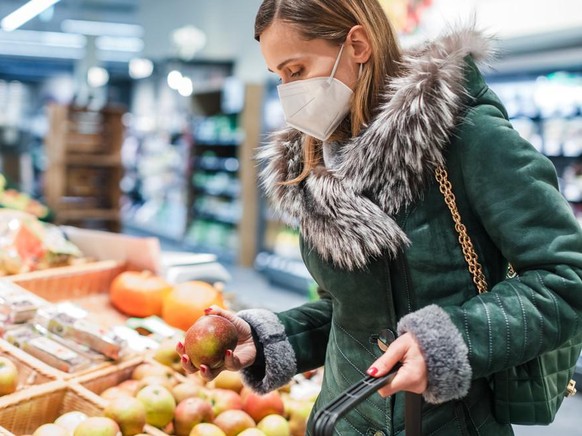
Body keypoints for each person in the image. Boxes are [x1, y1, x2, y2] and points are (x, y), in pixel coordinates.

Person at [177, 0, 582, 434]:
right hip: (343, 417)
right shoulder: (314, 165)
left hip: (448, 420)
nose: (287, 92)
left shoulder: (467, 138)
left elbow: (565, 278)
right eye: (278, 77)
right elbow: (352, 315)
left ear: (357, 44)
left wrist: (450, 341)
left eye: (296, 71)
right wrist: (269, 339)